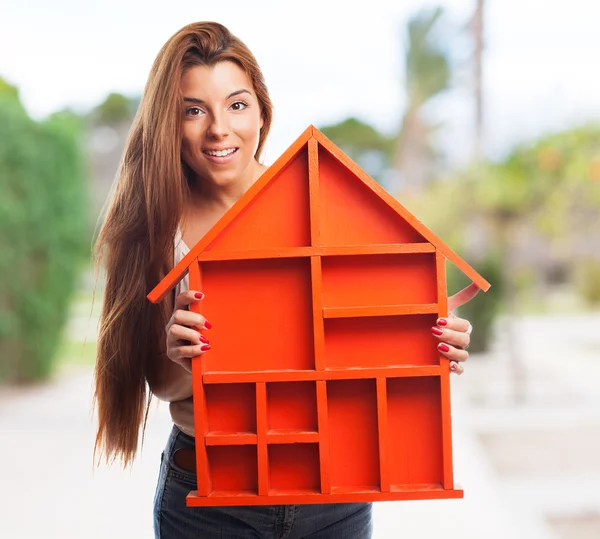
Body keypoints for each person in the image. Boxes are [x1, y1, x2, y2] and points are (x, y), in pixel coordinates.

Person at [93, 21, 478, 539]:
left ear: (261, 111)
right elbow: (164, 387)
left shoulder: (320, 203)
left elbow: (356, 347)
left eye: (236, 104)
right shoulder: (155, 228)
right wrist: (184, 356)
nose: (218, 130)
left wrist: (428, 340)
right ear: (169, 122)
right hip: (209, 497)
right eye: (193, 110)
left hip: (333, 494)